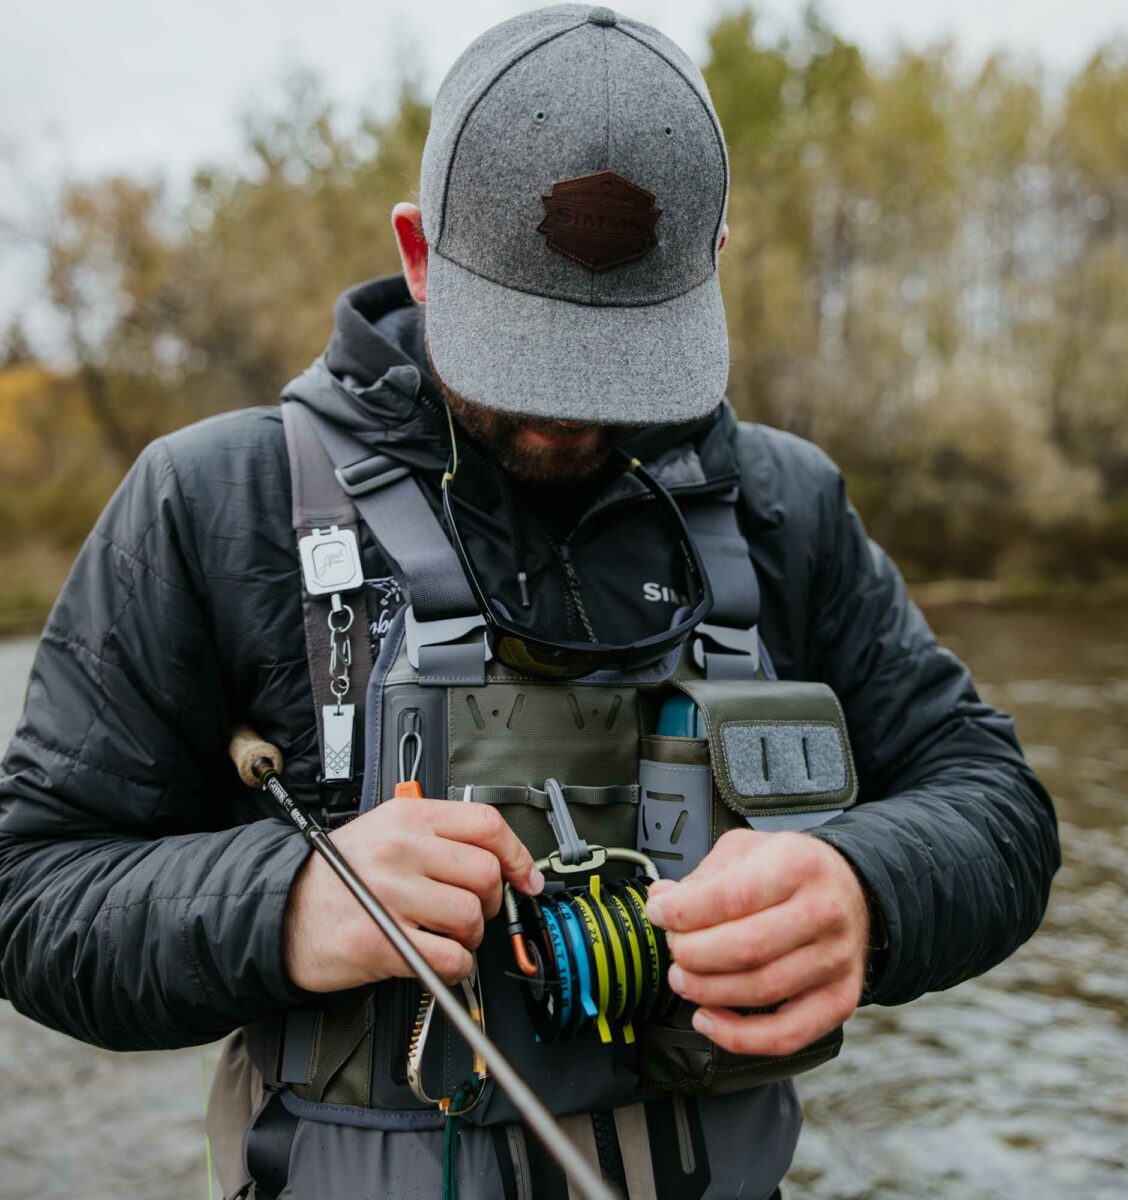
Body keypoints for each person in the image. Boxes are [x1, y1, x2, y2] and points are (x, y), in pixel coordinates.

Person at [0, 6, 1059, 1198]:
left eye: (616, 357)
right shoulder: (212, 500)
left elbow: (998, 804)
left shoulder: (786, 504)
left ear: (709, 266)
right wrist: (289, 902)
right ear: (417, 251)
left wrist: (872, 891)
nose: (565, 411)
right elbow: (32, 895)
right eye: (525, 348)